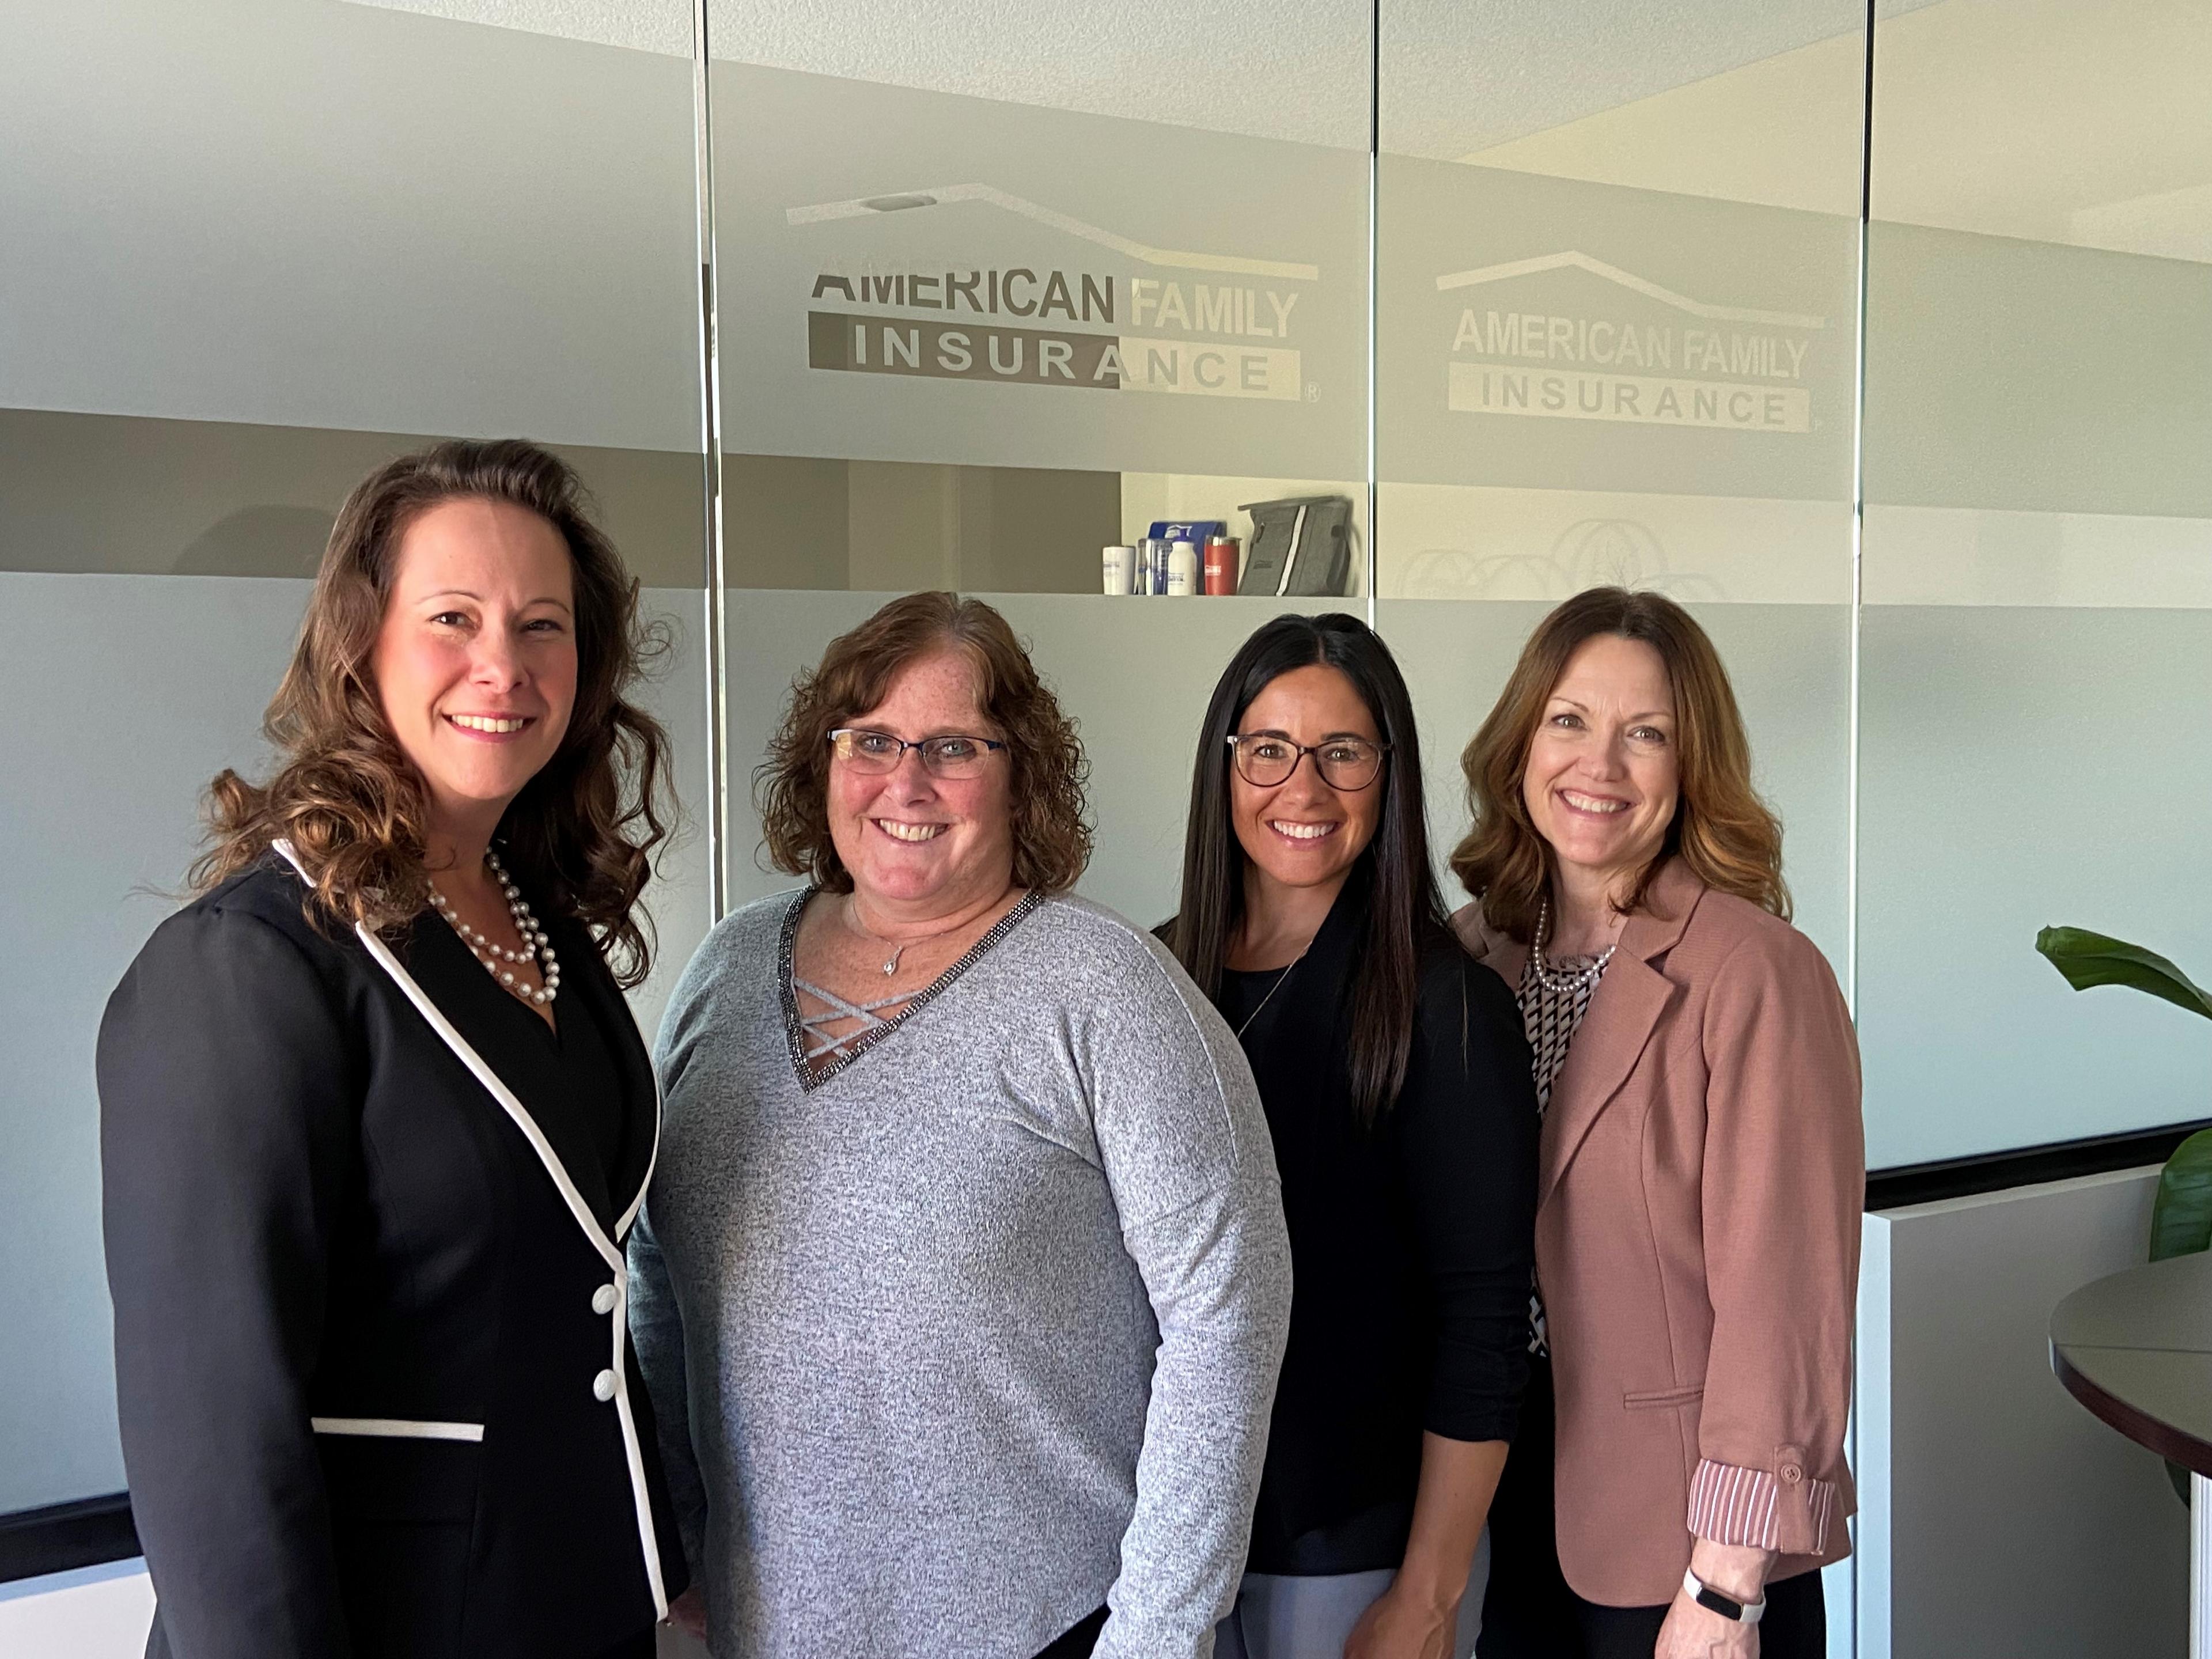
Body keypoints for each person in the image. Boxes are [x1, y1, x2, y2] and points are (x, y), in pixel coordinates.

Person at [97, 440, 689, 1659]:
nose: (504, 668)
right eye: (453, 618)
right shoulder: (250, 965)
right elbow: (216, 1451)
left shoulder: (538, 915)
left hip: (574, 1611)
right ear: (359, 644)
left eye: (543, 626)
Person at [630, 590, 1294, 1659]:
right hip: (764, 1624)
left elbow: (1230, 1319)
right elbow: (660, 1273)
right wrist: (676, 1537)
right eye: (873, 740)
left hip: (1051, 1628)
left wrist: (1158, 1636)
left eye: (953, 746)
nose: (906, 780)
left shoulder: (1109, 991)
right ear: (824, 761)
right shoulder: (726, 966)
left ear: (1020, 775)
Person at [1452, 588, 1862, 1659]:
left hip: (1675, 1547)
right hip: (1489, 1511)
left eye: (1648, 735)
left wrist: (1725, 1591)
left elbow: (1785, 1304)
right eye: (1570, 721)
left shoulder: (1758, 974)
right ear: (1521, 742)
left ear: (1693, 768)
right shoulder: (1467, 956)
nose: (1601, 765)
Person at [1163, 614, 1539, 1659]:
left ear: (1391, 773)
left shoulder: (1445, 1006)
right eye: (1270, 749)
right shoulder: (1146, 982)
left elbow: (1486, 1319)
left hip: (1355, 1559)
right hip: (1163, 1548)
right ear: (1224, 764)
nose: (1305, 788)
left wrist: (1427, 1595)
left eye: (1345, 753)